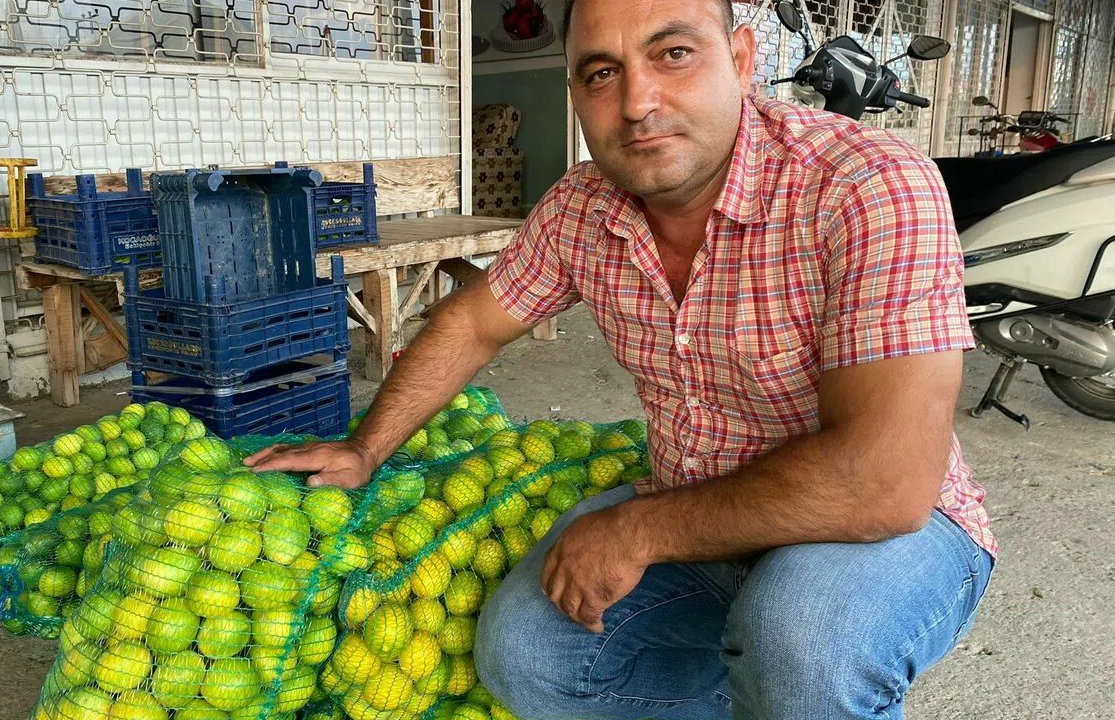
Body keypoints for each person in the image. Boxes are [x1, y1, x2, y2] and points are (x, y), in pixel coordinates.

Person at [245, 0, 996, 716]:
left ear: (742, 59)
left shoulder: (866, 183)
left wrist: (638, 531)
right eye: (602, 72)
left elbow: (883, 483)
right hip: (696, 500)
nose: (637, 103)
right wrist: (366, 448)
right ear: (575, 90)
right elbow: (474, 321)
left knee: (805, 641)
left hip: (885, 529)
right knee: (526, 656)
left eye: (674, 54)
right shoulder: (583, 205)